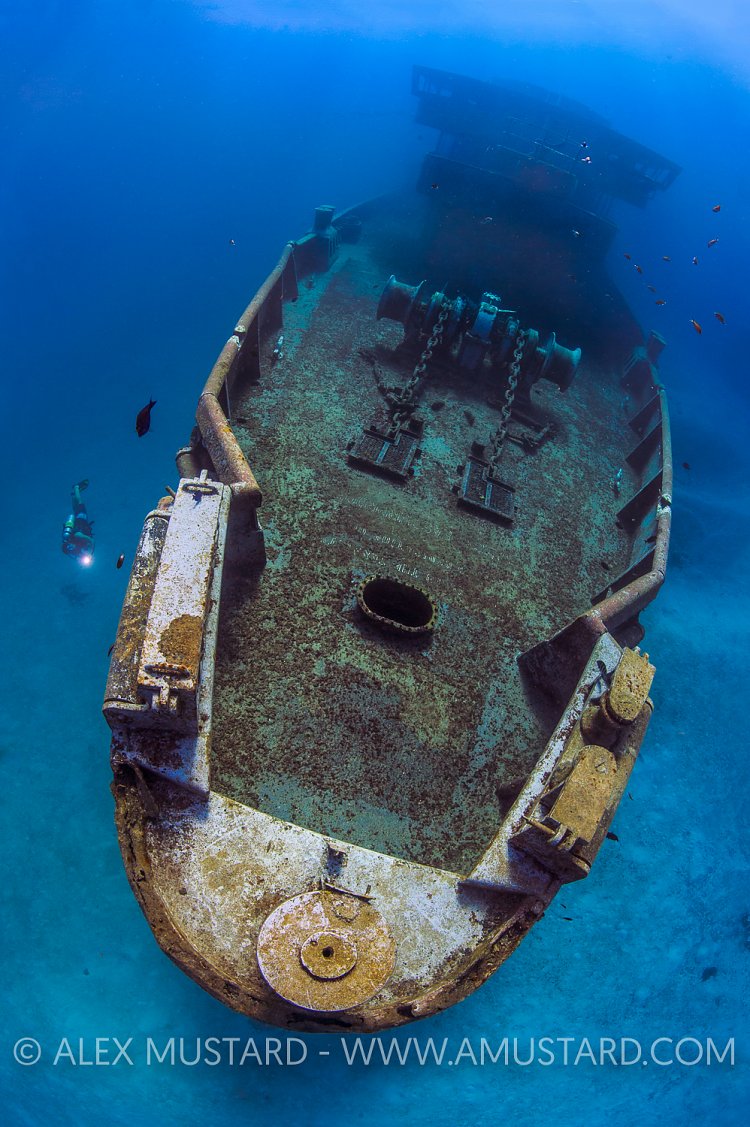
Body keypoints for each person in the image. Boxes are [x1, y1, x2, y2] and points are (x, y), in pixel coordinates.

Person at [62, 479, 95, 563]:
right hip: (78, 523)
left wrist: (90, 552)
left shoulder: (77, 537)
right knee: (76, 509)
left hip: (81, 521)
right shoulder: (73, 547)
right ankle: (74, 493)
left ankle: (76, 488)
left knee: (80, 503)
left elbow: (91, 541)